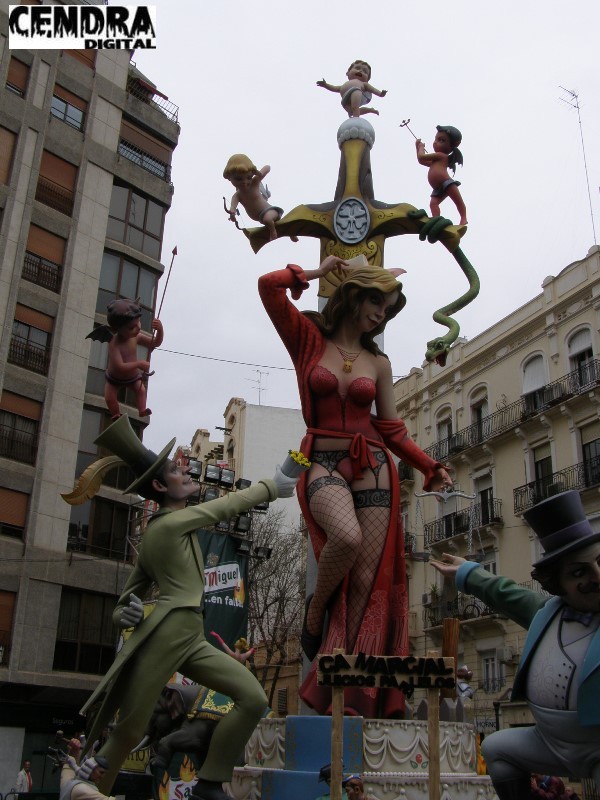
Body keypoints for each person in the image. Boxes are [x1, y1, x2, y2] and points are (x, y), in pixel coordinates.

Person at [65, 415, 299, 800]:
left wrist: (123, 613)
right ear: (160, 486)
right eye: (176, 471)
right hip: (168, 634)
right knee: (131, 728)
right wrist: (272, 485)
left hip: (192, 637)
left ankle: (210, 781)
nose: (185, 472)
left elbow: (125, 600)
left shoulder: (173, 527)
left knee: (254, 699)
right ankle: (91, 785)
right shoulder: (169, 525)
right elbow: (224, 506)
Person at [259, 256, 451, 717]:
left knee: (368, 579)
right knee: (345, 538)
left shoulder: (379, 362)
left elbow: (392, 427)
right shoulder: (308, 339)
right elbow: (268, 286)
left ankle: (347, 691)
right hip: (322, 460)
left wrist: (428, 465)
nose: (382, 313)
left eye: (388, 307)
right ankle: (315, 613)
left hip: (374, 464)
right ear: (354, 295)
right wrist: (315, 272)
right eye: (377, 301)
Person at [430, 489, 600, 800]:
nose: (597, 576)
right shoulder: (547, 613)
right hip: (551, 742)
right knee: (497, 748)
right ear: (557, 583)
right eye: (579, 572)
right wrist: (466, 571)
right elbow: (505, 593)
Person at [86, 298, 163, 421]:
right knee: (109, 398)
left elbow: (155, 343)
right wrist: (139, 364)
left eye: (138, 323)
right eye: (131, 327)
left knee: (141, 391)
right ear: (117, 329)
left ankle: (142, 410)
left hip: (132, 377)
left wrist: (160, 330)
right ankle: (116, 414)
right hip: (113, 379)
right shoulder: (114, 344)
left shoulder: (136, 337)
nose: (138, 328)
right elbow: (120, 366)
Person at [223, 154, 297, 242]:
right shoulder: (237, 196)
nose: (245, 182)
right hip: (261, 218)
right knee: (279, 224)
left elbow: (268, 167)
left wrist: (258, 173)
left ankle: (273, 233)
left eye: (249, 178)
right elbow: (233, 207)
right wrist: (232, 214)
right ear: (229, 178)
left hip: (270, 211)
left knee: (268, 219)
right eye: (239, 179)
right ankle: (291, 233)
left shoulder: (255, 183)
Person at [415, 125, 467, 225]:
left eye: (441, 140)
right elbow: (421, 161)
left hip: (446, 183)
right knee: (433, 203)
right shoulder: (435, 161)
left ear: (451, 146)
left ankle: (463, 218)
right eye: (436, 139)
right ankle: (436, 219)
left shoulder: (441, 156)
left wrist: (421, 147)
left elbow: (421, 157)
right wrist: (417, 148)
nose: (435, 142)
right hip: (438, 188)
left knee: (458, 201)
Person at [317, 60, 387, 118]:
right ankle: (369, 110)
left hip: (356, 92)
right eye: (357, 68)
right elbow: (334, 88)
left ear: (367, 79)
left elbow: (373, 90)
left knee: (355, 107)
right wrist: (325, 85)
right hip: (346, 99)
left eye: (365, 72)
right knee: (352, 111)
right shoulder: (344, 85)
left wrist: (380, 94)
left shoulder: (364, 84)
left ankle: (356, 118)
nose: (361, 71)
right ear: (348, 73)